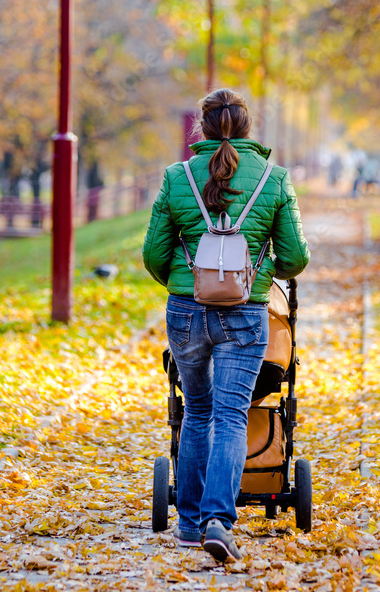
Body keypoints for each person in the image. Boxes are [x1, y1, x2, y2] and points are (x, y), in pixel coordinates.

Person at [142, 88, 310, 564]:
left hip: (187, 310)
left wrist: (181, 279)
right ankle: (220, 519)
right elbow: (295, 257)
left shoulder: (177, 178)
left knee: (196, 411)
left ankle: (191, 526)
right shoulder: (274, 179)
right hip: (246, 314)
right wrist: (258, 270)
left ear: (203, 127)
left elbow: (153, 253)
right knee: (232, 414)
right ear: (248, 125)